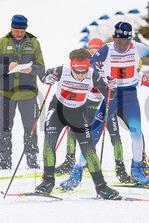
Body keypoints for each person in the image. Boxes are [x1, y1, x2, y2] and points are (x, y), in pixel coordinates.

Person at [61, 21, 149, 188]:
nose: (121, 46)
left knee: (136, 131)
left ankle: (137, 170)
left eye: (125, 43)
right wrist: (97, 68)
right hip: (111, 95)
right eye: (118, 42)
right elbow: (88, 66)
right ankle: (77, 172)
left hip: (129, 96)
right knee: (94, 133)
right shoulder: (107, 48)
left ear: (131, 39)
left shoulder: (138, 48)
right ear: (114, 38)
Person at [33, 48, 120, 200]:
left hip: (78, 113)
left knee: (88, 150)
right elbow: (41, 72)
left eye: (83, 72)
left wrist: (113, 86)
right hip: (58, 111)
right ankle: (47, 182)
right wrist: (47, 79)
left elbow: (109, 95)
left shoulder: (93, 74)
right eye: (77, 72)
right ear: (71, 67)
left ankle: (101, 186)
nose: (80, 76)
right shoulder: (61, 70)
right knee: (49, 143)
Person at [57, 38, 131, 181]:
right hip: (89, 103)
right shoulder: (85, 68)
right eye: (91, 53)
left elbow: (118, 81)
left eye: (97, 52)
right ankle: (70, 161)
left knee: (115, 135)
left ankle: (120, 168)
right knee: (74, 130)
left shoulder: (109, 64)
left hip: (107, 104)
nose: (94, 55)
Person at [0, 14, 45, 170]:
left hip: (28, 93)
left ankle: (32, 159)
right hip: (7, 93)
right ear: (11, 27)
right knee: (4, 127)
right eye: (16, 30)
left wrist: (31, 69)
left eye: (22, 30)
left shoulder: (34, 43)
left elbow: (41, 67)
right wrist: (7, 68)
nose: (19, 34)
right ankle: (5, 160)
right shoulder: (1, 43)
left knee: (30, 127)